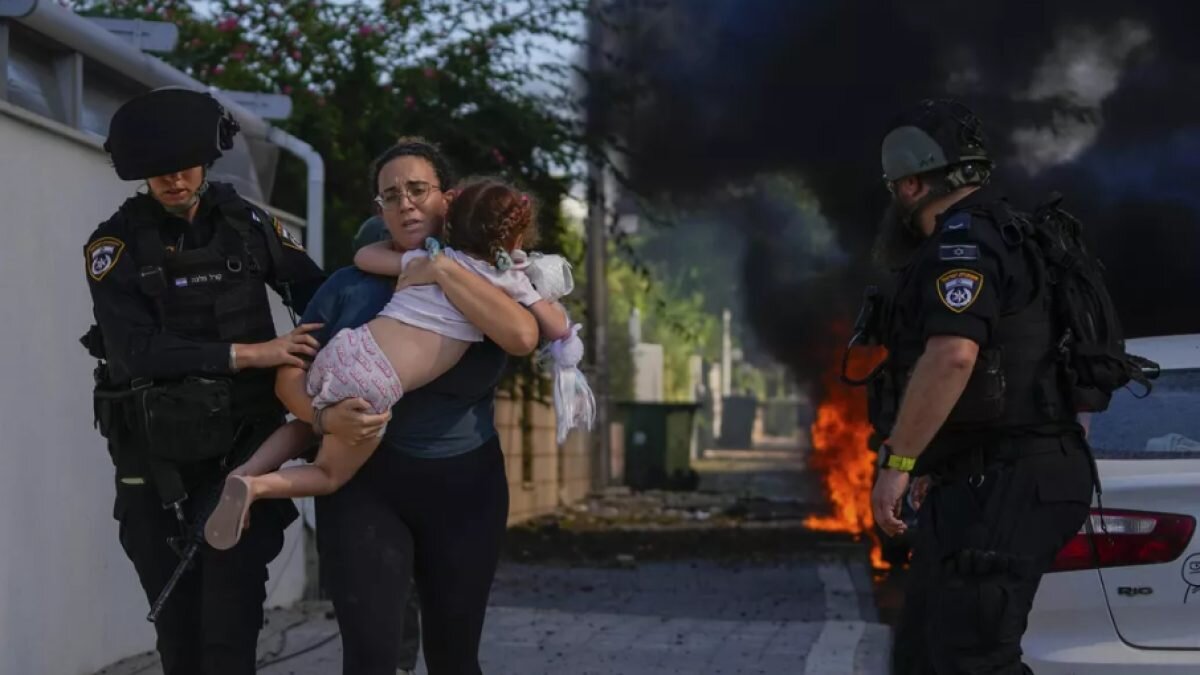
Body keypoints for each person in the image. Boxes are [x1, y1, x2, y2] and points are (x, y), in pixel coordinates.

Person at [269, 137, 556, 674]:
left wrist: (441, 269)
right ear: (378, 209)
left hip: (466, 489)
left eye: (418, 189)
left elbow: (523, 336)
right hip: (365, 487)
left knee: (454, 659)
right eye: (390, 195)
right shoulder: (347, 286)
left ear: (447, 198)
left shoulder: (488, 277)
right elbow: (290, 375)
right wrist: (322, 417)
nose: (405, 203)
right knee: (371, 659)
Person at [81, 88, 326, 675]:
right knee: (179, 633)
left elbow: (319, 299)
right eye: (158, 173)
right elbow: (138, 353)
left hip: (243, 454)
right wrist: (252, 353)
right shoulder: (112, 246)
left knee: (229, 622)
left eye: (184, 166)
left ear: (207, 159)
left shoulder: (247, 225)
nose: (173, 180)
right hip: (155, 462)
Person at [204, 177, 571, 548]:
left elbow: (364, 256)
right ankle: (257, 487)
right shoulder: (506, 280)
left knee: (308, 423)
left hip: (349, 347)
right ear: (515, 241)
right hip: (376, 381)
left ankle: (246, 470)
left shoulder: (431, 258)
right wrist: (539, 291)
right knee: (330, 474)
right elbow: (555, 328)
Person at [865, 99, 1094, 674]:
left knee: (974, 661)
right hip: (986, 475)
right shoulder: (1016, 235)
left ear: (913, 184)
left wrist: (900, 463)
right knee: (922, 655)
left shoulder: (961, 245)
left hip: (1009, 479)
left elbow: (952, 358)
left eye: (898, 185)